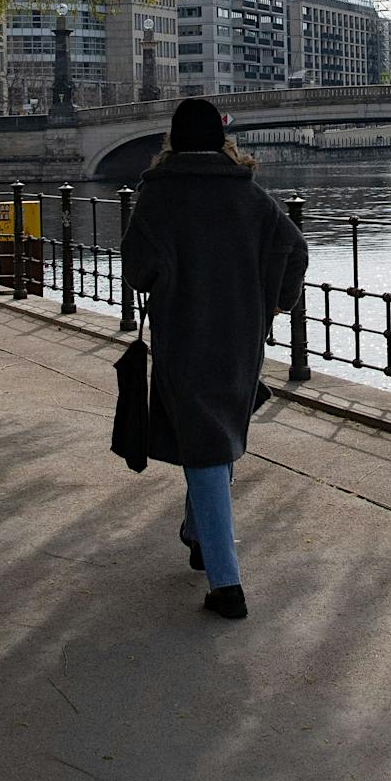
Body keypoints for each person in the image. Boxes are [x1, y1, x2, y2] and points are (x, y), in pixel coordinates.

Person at [120, 96, 307, 621]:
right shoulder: (249, 194)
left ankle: (227, 585)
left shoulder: (159, 196)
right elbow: (295, 249)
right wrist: (273, 302)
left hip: (186, 336)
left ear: (173, 141)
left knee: (203, 442)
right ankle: (199, 533)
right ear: (222, 141)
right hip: (242, 337)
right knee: (215, 434)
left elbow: (137, 270)